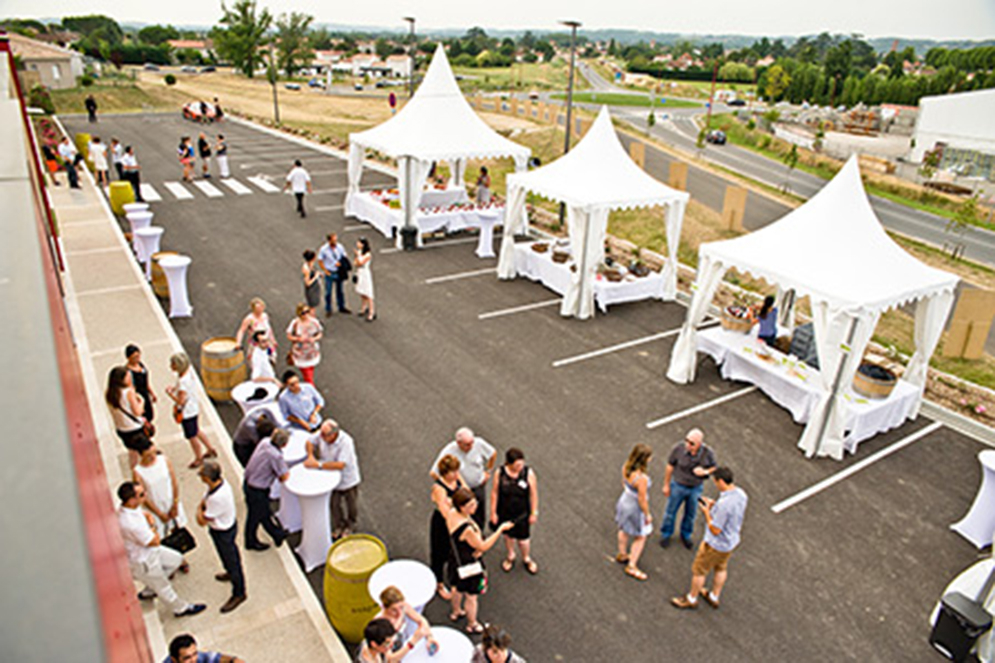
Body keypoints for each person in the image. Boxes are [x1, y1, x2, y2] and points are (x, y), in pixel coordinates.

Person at [117, 481, 205, 617]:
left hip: (151, 552)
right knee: (164, 588)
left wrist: (146, 516)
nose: (145, 495)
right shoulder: (131, 523)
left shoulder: (129, 509)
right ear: (132, 500)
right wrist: (152, 525)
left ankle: (150, 589)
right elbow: (154, 541)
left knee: (177, 559)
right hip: (144, 560)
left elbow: (142, 515)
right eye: (141, 494)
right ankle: (180, 608)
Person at [671, 467, 749, 610]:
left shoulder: (724, 505)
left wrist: (707, 512)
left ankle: (691, 598)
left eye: (715, 482)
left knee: (699, 570)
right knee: (721, 568)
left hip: (715, 545)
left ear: (720, 481)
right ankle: (714, 596)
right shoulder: (740, 494)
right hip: (730, 542)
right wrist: (714, 505)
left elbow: (715, 529)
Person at [446, 487, 513, 634]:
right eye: (470, 505)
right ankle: (472, 623)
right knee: (471, 597)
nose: (475, 507)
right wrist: (499, 530)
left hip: (456, 559)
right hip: (470, 563)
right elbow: (483, 545)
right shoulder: (467, 529)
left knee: (456, 587)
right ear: (462, 507)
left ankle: (456, 611)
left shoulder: (452, 513)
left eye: (474, 503)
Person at [196, 460, 247, 613]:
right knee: (225, 556)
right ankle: (230, 573)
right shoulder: (220, 485)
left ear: (207, 478)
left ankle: (239, 593)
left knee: (233, 560)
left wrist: (199, 510)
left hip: (223, 531)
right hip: (225, 526)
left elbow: (201, 520)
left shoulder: (216, 498)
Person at [659, 428, 717, 550]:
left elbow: (714, 467)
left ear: (700, 444)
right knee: (670, 512)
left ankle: (686, 534)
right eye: (687, 441)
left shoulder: (708, 453)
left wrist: (705, 471)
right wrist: (666, 484)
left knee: (691, 514)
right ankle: (666, 533)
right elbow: (670, 466)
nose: (688, 445)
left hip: (695, 488)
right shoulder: (678, 449)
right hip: (678, 486)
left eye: (692, 443)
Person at [305, 419, 361, 539]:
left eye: (324, 435)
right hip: (330, 479)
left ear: (334, 434)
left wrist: (318, 465)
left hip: (347, 479)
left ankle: (351, 524)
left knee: (351, 504)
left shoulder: (346, 442)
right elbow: (309, 441)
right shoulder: (322, 434)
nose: (321, 437)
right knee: (334, 505)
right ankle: (339, 525)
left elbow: (340, 464)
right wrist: (310, 456)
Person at [431, 427, 497, 529]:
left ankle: (478, 535)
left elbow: (492, 454)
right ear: (458, 443)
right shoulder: (449, 451)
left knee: (479, 514)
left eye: (472, 443)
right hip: (462, 492)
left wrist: (488, 471)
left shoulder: (478, 443)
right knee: (464, 516)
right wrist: (448, 485)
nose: (471, 446)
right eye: (467, 444)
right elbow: (434, 472)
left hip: (478, 485)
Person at [165, 352, 218, 469]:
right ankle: (210, 448)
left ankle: (198, 458)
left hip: (187, 412)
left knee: (192, 436)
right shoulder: (187, 374)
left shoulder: (183, 382)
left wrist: (170, 394)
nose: (170, 366)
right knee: (197, 429)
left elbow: (181, 401)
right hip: (194, 407)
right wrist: (175, 388)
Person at [490, 448, 539, 575]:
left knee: (523, 539)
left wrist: (534, 512)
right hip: (505, 511)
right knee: (508, 535)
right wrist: (493, 512)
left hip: (522, 512)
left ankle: (526, 558)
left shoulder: (528, 473)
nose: (520, 467)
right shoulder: (500, 473)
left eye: (521, 464)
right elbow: (495, 493)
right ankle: (510, 555)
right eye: (517, 465)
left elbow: (533, 494)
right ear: (508, 463)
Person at [243, 429, 290, 551]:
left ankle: (277, 534)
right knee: (256, 516)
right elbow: (284, 477)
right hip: (258, 489)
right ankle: (251, 541)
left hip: (248, 483)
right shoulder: (276, 456)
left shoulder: (265, 442)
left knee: (263, 513)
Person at [133, 437, 188, 539]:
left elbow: (174, 482)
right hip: (156, 508)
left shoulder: (164, 460)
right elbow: (143, 496)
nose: (153, 457)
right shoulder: (138, 472)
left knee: (179, 534)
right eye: (148, 456)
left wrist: (175, 503)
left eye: (153, 453)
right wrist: (159, 513)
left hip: (171, 503)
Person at [430, 455, 467, 600]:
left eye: (457, 471)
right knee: (439, 552)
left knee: (453, 551)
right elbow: (444, 510)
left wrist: (453, 502)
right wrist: (457, 512)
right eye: (453, 472)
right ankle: (438, 582)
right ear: (445, 473)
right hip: (443, 523)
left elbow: (467, 494)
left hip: (457, 520)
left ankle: (453, 576)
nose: (457, 474)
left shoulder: (457, 479)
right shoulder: (439, 487)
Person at [615, 443, 653, 581]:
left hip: (624, 500)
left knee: (623, 529)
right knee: (641, 536)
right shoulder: (642, 478)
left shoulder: (626, 467)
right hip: (634, 507)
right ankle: (632, 565)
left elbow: (623, 483)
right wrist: (647, 514)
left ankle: (622, 553)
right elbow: (642, 499)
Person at [106, 365, 148, 467]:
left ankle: (134, 473)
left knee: (132, 453)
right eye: (128, 377)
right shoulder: (128, 392)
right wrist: (142, 401)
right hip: (135, 428)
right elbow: (138, 411)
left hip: (122, 429)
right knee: (146, 451)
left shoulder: (109, 394)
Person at [374, 586, 436, 653]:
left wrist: (429, 637)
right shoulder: (379, 622)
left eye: (400, 607)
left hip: (407, 642)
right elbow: (389, 656)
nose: (399, 612)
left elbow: (421, 620)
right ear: (384, 607)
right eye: (394, 610)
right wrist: (400, 617)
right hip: (394, 651)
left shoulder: (404, 607)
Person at [286, 303, 323, 384]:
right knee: (307, 374)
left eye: (307, 312)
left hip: (311, 351)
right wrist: (298, 339)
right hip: (300, 352)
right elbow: (289, 335)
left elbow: (320, 333)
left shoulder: (314, 322)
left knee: (310, 371)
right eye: (303, 313)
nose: (306, 315)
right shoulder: (295, 323)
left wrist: (314, 338)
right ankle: (310, 387)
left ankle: (309, 383)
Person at [318, 233, 350, 317]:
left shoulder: (340, 247)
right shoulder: (324, 249)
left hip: (338, 271)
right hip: (330, 271)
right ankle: (328, 309)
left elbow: (344, 256)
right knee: (328, 292)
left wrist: (342, 264)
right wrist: (325, 270)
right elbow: (320, 260)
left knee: (340, 290)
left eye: (336, 239)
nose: (336, 241)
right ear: (329, 240)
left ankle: (341, 306)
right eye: (334, 240)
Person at [126, 344, 157, 424]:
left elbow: (146, 382)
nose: (137, 359)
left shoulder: (141, 365)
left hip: (145, 394)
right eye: (134, 357)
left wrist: (152, 393)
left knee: (150, 416)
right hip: (138, 397)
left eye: (138, 356)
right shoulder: (128, 372)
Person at [164, 633, 244, 663]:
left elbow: (213, 657)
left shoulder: (197, 658)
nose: (193, 660)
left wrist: (233, 660)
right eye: (187, 658)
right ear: (174, 660)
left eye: (195, 654)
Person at [354, 237, 376, 322]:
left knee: (368, 293)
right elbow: (355, 263)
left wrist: (358, 256)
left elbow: (360, 262)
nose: (357, 244)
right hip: (360, 272)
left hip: (365, 273)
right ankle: (363, 308)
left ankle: (371, 312)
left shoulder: (367, 254)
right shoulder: (360, 253)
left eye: (359, 243)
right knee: (362, 291)